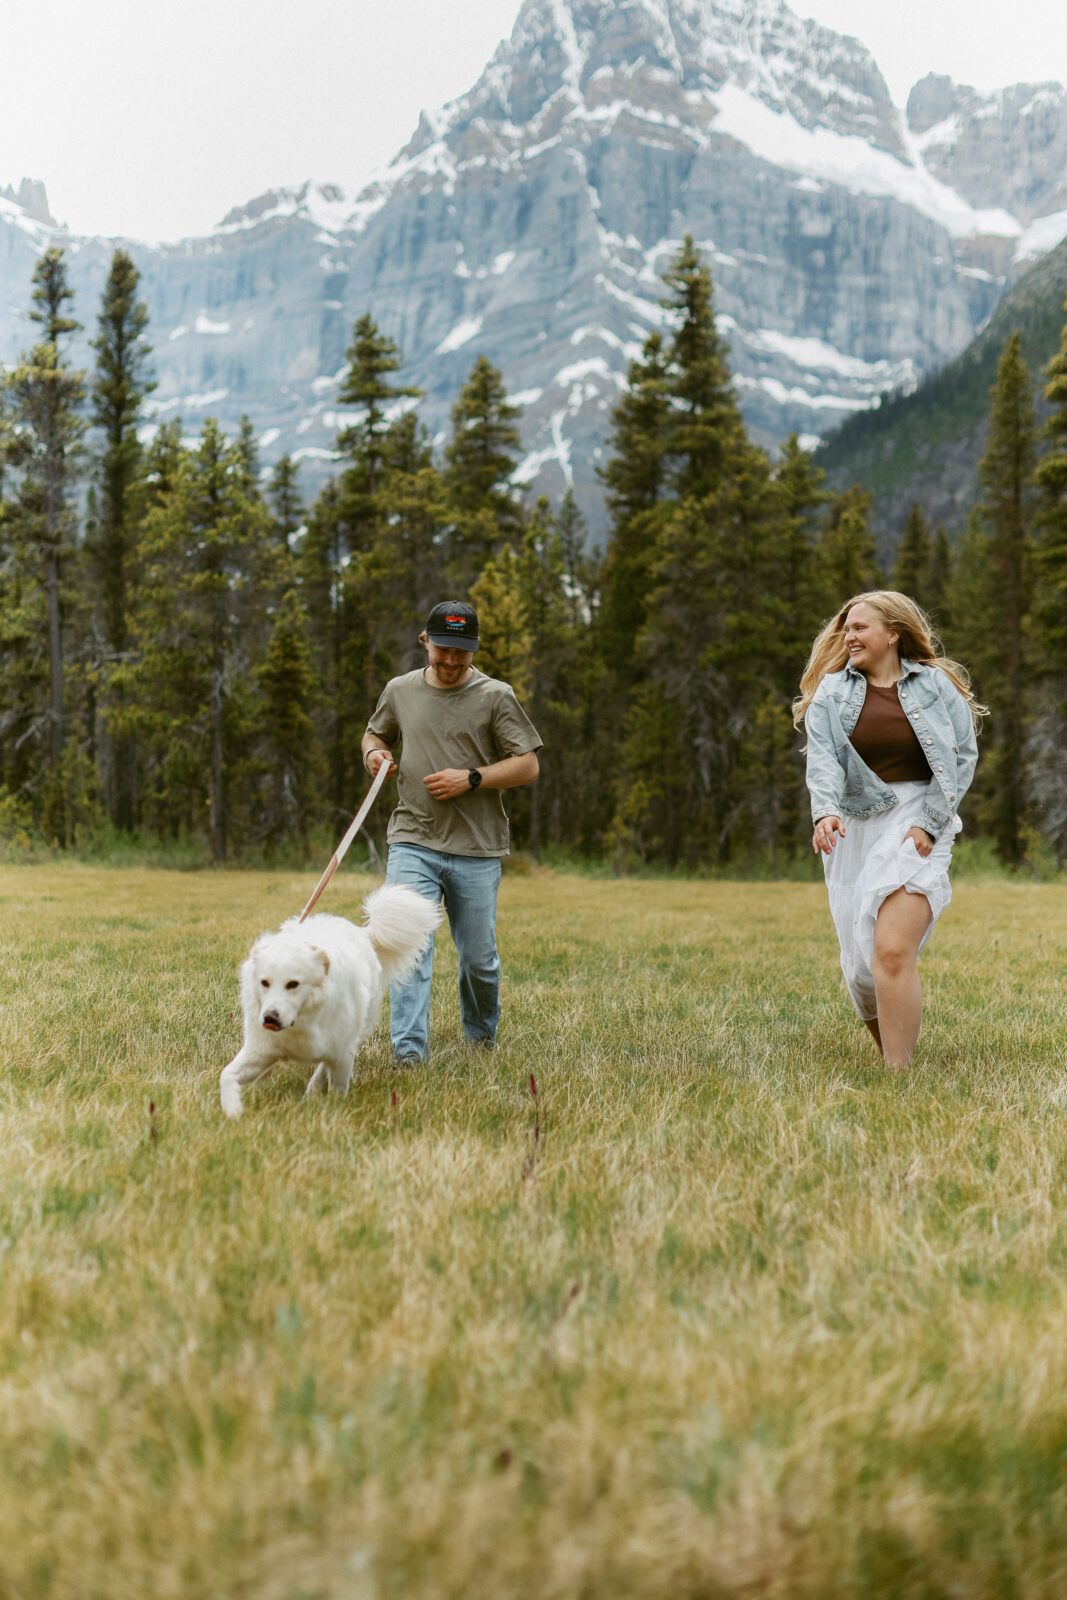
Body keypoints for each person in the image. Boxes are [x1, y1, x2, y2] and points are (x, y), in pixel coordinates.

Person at [793, 590, 982, 1068]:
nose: (849, 636)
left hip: (918, 818)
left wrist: (930, 823)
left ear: (893, 633)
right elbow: (824, 763)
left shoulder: (935, 687)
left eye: (860, 627)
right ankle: (891, 1052)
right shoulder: (831, 695)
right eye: (847, 628)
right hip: (854, 827)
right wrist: (825, 811)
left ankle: (900, 1076)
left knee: (892, 952)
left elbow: (961, 757)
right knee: (862, 969)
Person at [361, 600, 541, 1063]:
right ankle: (408, 1054)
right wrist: (373, 756)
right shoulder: (399, 690)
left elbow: (528, 765)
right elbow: (374, 735)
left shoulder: (496, 695)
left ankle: (481, 1042)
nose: (451, 661)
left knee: (479, 961)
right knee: (408, 950)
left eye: (462, 652)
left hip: (476, 848)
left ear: (474, 649)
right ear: (426, 641)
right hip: (412, 839)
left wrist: (473, 777)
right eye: (443, 649)